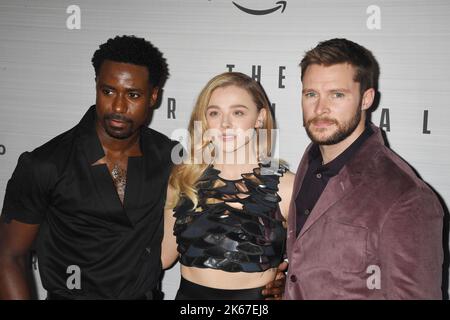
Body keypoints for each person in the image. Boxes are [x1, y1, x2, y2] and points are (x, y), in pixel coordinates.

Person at [0, 35, 176, 299]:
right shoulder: (45, 164)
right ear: (96, 86)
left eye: (133, 95)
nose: (118, 106)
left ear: (153, 96)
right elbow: (9, 257)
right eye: (108, 91)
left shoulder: (170, 157)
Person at [284, 38, 444, 299]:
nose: (320, 108)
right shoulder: (308, 163)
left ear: (366, 98)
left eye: (337, 95)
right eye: (311, 94)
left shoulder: (407, 196)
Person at [161, 72, 294, 300]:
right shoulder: (184, 179)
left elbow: (313, 265)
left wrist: (289, 286)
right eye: (214, 113)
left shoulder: (287, 185)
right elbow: (163, 257)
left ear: (260, 117)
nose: (224, 124)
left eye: (238, 112)